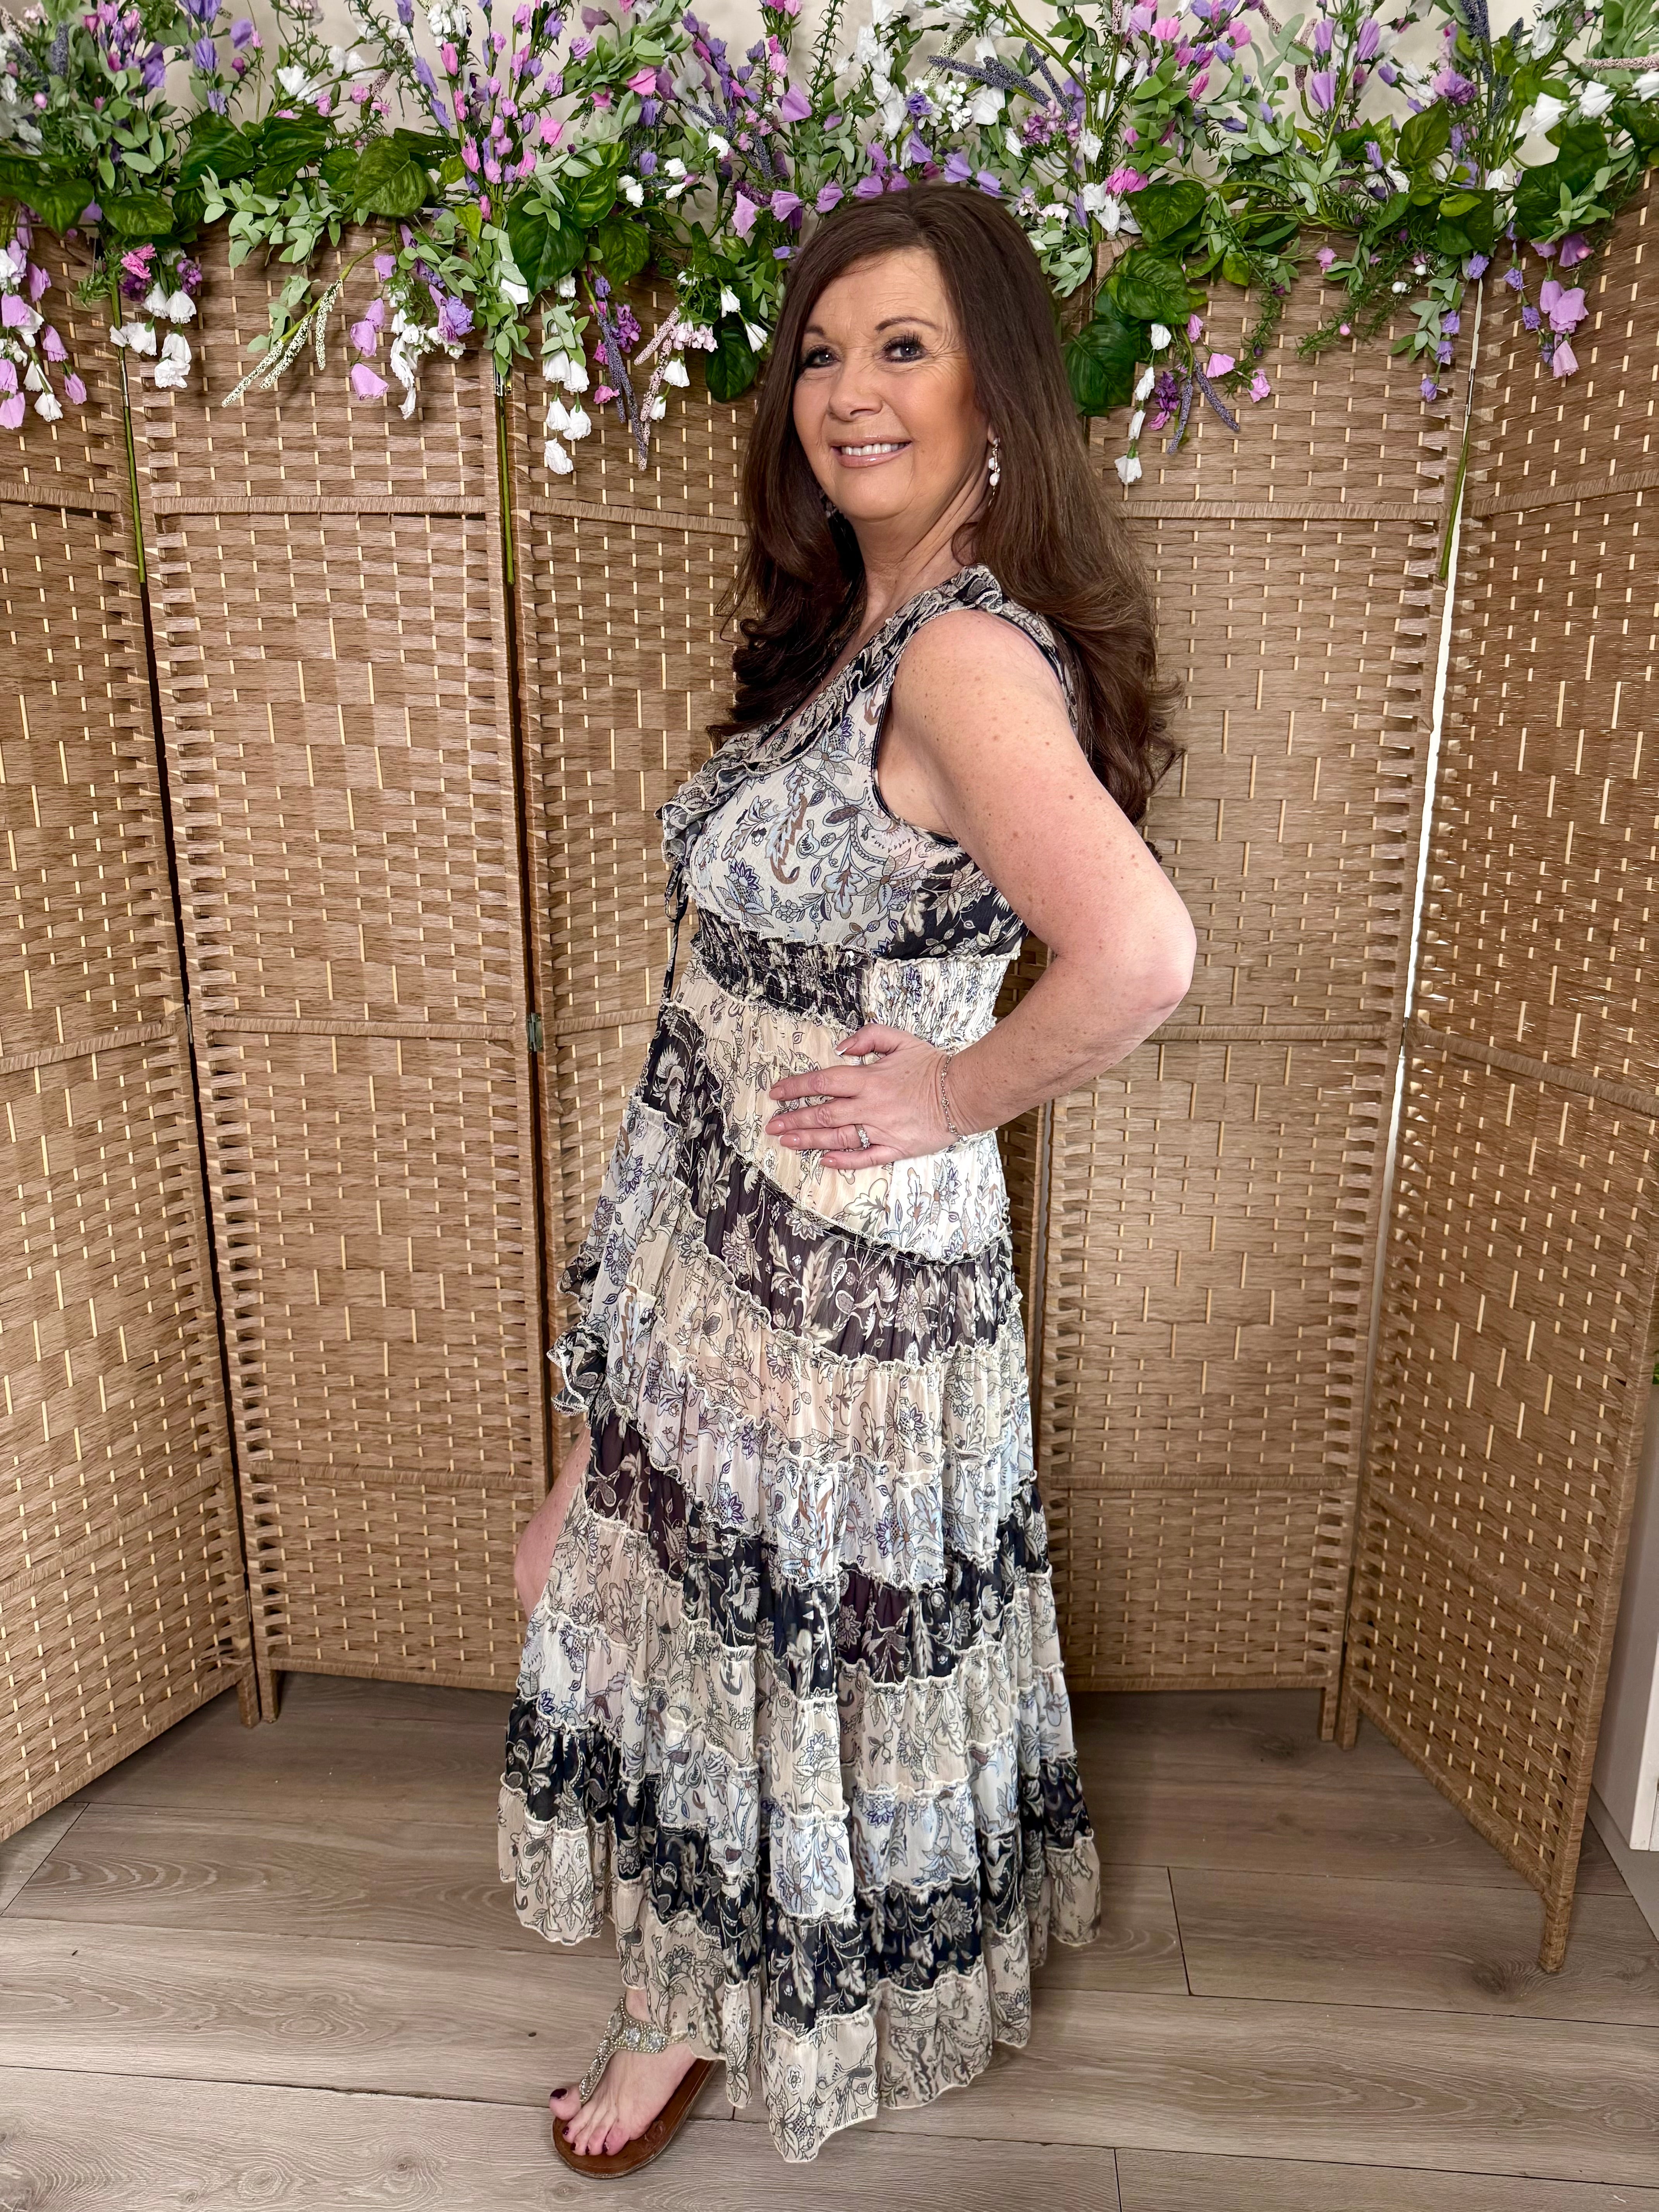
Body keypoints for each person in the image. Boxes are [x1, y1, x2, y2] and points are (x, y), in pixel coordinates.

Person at [498, 177, 1195, 2176]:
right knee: (651, 1603)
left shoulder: (963, 659)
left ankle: (691, 2010)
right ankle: (710, 1981)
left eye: (905, 348)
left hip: (838, 1281)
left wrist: (958, 1092)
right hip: (716, 1239)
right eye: (822, 352)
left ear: (1000, 392)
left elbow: (1139, 956)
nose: (849, 392)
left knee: (752, 1644)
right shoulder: (855, 635)